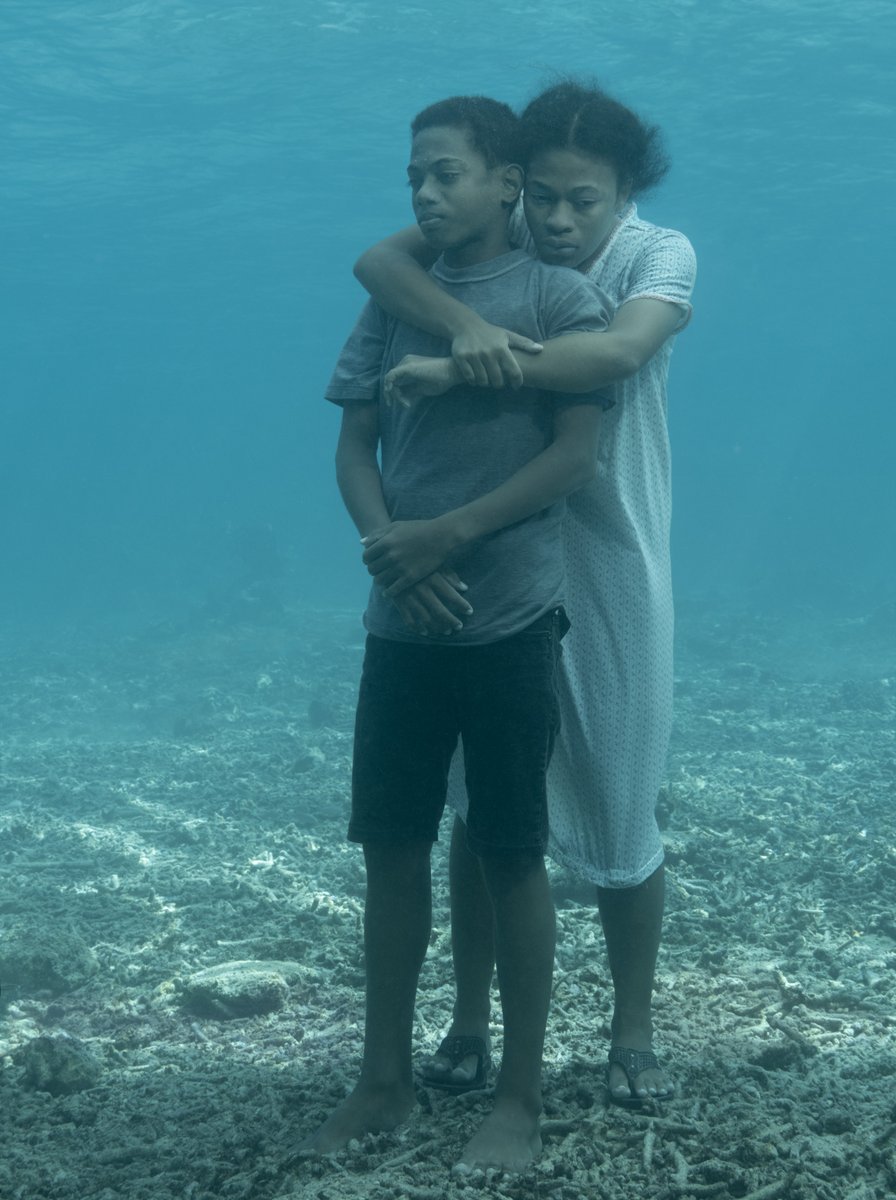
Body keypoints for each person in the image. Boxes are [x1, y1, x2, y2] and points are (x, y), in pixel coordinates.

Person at [353, 80, 697, 1106]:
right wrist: (461, 320)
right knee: (487, 809)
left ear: (623, 191)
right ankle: (467, 1021)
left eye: (580, 201)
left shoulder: (654, 254)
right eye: (541, 196)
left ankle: (629, 1026)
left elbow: (619, 351)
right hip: (502, 556)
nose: (556, 220)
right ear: (514, 187)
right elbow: (376, 264)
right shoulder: (485, 252)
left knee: (621, 795)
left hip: (611, 551)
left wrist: (465, 363)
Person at [302, 95, 613, 1171]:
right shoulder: (399, 303)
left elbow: (573, 458)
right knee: (390, 849)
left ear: (504, 185)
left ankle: (517, 1098)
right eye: (415, 180)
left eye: (446, 174)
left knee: (509, 850)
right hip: (400, 626)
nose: (427, 194)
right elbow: (353, 448)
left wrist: (450, 535)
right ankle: (380, 1076)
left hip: (510, 623)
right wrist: (391, 545)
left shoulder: (559, 294)